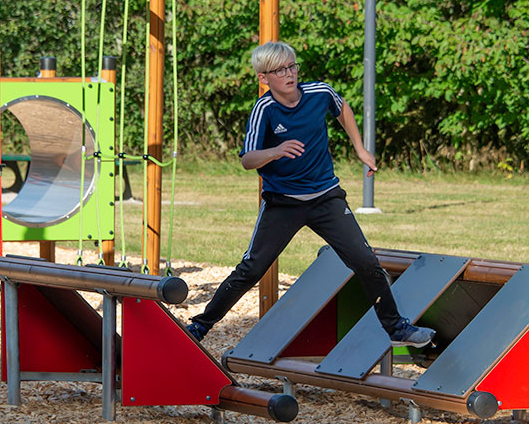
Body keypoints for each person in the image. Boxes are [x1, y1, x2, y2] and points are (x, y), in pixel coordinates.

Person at [185, 41, 435, 347]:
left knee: (366, 261)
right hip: (283, 203)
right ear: (264, 78)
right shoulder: (264, 109)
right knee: (251, 269)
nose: (289, 74)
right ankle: (199, 327)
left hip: (326, 198)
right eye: (280, 70)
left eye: (292, 66)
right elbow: (247, 159)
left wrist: (360, 148)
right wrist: (275, 151)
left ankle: (397, 329)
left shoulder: (320, 92)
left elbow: (343, 109)